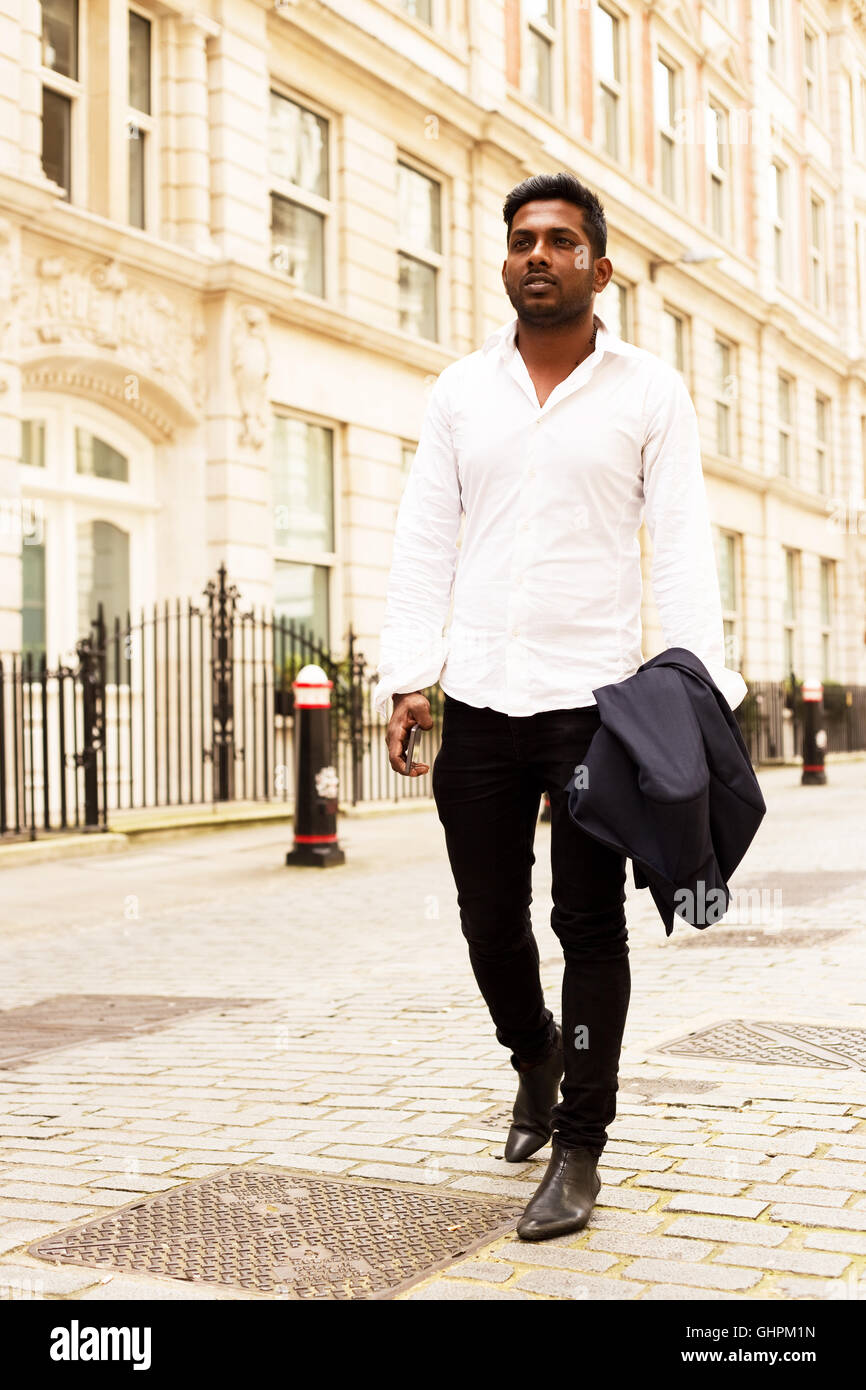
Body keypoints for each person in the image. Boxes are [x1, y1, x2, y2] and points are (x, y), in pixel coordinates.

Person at [372, 171, 747, 1242]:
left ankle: (579, 1143)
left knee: (588, 924)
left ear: (598, 266)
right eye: (521, 240)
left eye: (559, 240)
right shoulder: (457, 393)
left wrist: (695, 700)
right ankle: (532, 1048)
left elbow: (677, 551)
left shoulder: (648, 393)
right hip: (482, 703)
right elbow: (421, 544)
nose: (536, 254)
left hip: (594, 711)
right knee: (489, 919)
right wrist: (409, 675)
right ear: (505, 261)